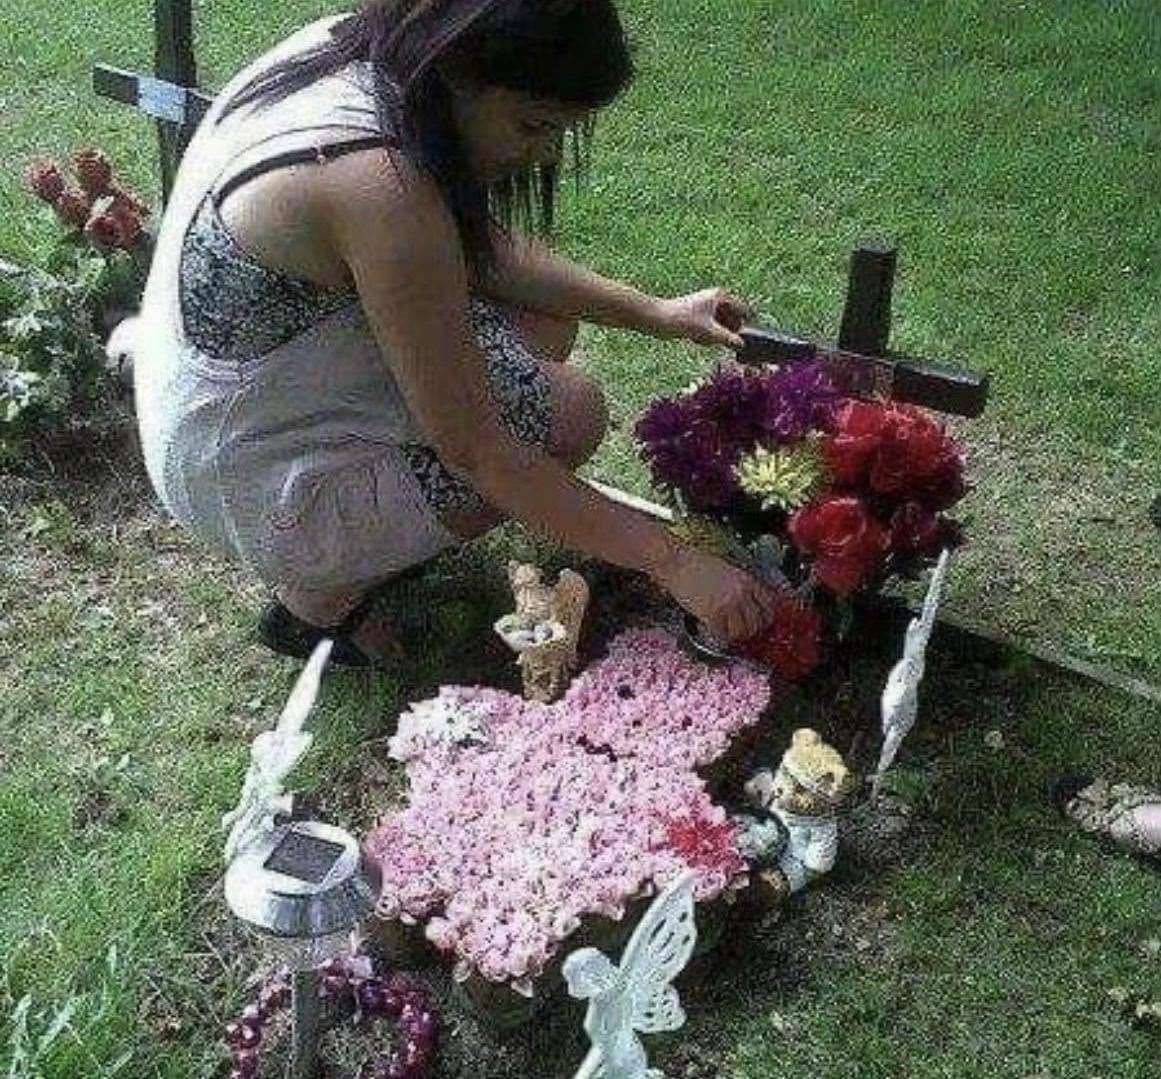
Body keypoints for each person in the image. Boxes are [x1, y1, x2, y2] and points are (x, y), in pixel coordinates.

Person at [125, 0, 778, 667]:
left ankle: (359, 538)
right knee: (571, 412)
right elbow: (479, 449)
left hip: (245, 401)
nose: (545, 152)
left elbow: (467, 251)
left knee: (545, 324)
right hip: (247, 481)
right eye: (533, 125)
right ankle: (318, 600)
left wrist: (653, 311)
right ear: (461, 71)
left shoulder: (369, 49)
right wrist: (671, 560)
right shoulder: (379, 185)